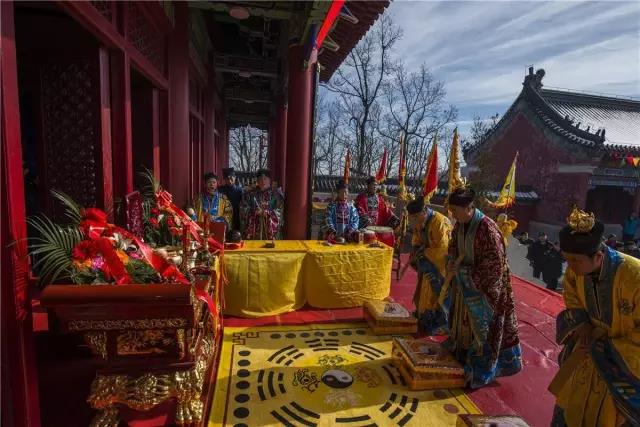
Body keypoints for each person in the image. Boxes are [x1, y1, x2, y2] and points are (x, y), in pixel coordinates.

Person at [549, 207, 639, 426]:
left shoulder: (633, 276)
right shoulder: (576, 266)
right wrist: (581, 324)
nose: (569, 267)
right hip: (586, 348)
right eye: (566, 259)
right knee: (569, 406)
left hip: (620, 361)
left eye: (575, 261)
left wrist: (606, 349)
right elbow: (571, 295)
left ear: (598, 255)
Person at [442, 186, 522, 388]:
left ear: (469, 207)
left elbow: (494, 265)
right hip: (464, 285)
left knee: (484, 331)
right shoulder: (460, 225)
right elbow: (453, 247)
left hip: (486, 290)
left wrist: (465, 274)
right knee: (460, 320)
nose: (453, 215)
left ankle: (482, 368)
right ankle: (461, 351)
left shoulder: (488, 228)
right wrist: (451, 262)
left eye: (456, 211)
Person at [406, 197, 452, 334]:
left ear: (425, 211)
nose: (414, 220)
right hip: (426, 261)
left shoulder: (439, 222)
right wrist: (415, 249)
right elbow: (416, 238)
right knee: (424, 289)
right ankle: (423, 315)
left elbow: (443, 248)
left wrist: (424, 253)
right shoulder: (420, 221)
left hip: (441, 265)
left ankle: (440, 322)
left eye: (416, 216)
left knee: (439, 293)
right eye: (412, 217)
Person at [241, 169, 284, 240]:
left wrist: (268, 213)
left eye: (265, 179)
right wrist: (254, 212)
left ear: (269, 180)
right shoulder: (249, 194)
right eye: (260, 179)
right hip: (254, 231)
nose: (263, 181)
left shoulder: (276, 195)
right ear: (257, 181)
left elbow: (280, 211)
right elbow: (243, 208)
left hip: (271, 232)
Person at [218, 168, 244, 233]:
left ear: (235, 178)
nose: (229, 181)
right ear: (224, 180)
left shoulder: (240, 190)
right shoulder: (220, 190)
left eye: (231, 178)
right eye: (227, 179)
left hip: (236, 215)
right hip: (223, 215)